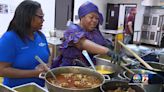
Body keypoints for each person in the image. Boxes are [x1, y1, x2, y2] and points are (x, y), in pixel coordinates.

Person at [51, 1, 119, 68]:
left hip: (91, 68)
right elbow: (82, 43)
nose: (95, 21)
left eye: (97, 18)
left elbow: (101, 42)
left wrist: (109, 46)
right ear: (81, 17)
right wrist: (107, 51)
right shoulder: (72, 30)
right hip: (72, 69)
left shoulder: (95, 31)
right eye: (91, 17)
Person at [0, 0, 50, 87]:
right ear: (27, 17)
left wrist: (46, 66)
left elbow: (47, 58)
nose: (43, 20)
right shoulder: (9, 38)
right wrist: (34, 73)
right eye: (40, 17)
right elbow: (1, 70)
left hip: (39, 87)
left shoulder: (40, 36)